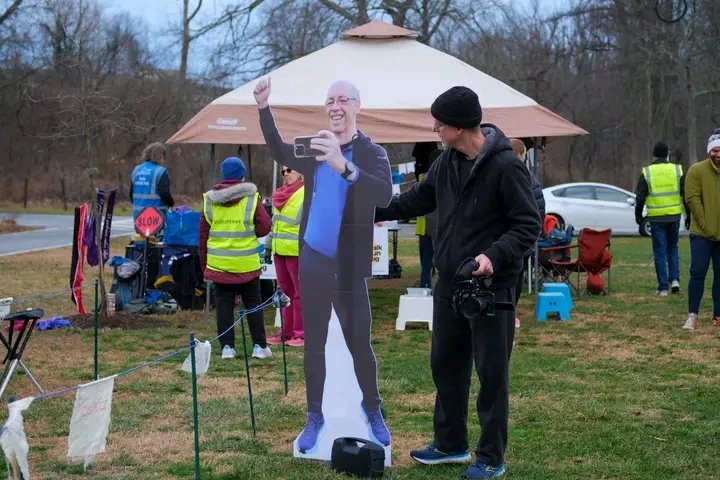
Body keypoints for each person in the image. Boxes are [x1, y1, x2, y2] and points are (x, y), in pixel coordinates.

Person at [375, 86, 540, 479]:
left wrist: (492, 256)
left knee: (491, 373)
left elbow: (528, 225)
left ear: (462, 126)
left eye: (440, 123)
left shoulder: (506, 167)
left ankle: (491, 457)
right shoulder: (445, 162)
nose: (434, 128)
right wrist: (369, 206)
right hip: (448, 283)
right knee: (445, 365)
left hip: (491, 289)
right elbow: (415, 201)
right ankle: (450, 445)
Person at [254, 77, 393, 452]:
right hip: (313, 258)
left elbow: (382, 193)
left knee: (359, 343)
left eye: (343, 99)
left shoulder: (371, 152)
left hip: (348, 263)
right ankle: (314, 415)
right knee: (313, 343)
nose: (335, 105)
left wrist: (342, 165)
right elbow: (279, 151)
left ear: (356, 105)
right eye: (329, 99)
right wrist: (264, 109)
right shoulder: (314, 148)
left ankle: (373, 408)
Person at [199, 157, 272, 360]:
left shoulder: (209, 200)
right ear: (242, 176)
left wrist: (204, 264)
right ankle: (259, 346)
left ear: (222, 176)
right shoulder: (252, 198)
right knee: (253, 304)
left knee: (224, 306)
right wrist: (249, 232)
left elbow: (202, 235)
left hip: (219, 264)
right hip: (246, 263)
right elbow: (265, 226)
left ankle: (227, 348)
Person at [682, 130, 720, 331]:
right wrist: (705, 224)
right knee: (698, 273)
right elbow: (692, 198)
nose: (719, 154)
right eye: (715, 150)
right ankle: (692, 316)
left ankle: (718, 315)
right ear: (709, 151)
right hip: (702, 235)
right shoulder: (696, 171)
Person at [635, 141, 684, 296]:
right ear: (667, 155)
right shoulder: (677, 170)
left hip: (656, 218)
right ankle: (675, 280)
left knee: (659, 251)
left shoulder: (647, 172)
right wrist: (688, 214)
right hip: (674, 215)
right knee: (673, 248)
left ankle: (663, 288)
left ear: (654, 155)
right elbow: (685, 193)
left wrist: (638, 216)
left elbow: (640, 197)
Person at [266, 166, 305, 347]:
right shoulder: (280, 195)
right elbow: (275, 225)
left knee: (300, 293)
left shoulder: (307, 193)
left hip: (298, 251)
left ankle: (301, 334)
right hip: (279, 251)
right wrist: (268, 246)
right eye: (283, 171)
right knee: (284, 293)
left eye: (290, 170)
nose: (286, 174)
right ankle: (286, 332)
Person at [510, 138, 545, 327]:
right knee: (515, 277)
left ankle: (508, 312)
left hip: (513, 240)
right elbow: (538, 214)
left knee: (512, 278)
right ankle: (509, 311)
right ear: (520, 155)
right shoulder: (530, 180)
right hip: (522, 241)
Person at [413, 142, 441, 289]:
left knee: (426, 263)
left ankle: (425, 286)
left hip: (425, 227)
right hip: (439, 227)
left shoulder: (422, 178)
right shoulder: (446, 177)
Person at [130, 142, 174, 220]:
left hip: (138, 215)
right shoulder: (161, 171)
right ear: (160, 156)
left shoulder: (137, 170)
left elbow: (131, 194)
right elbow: (164, 193)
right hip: (156, 216)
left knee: (141, 232)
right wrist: (171, 203)